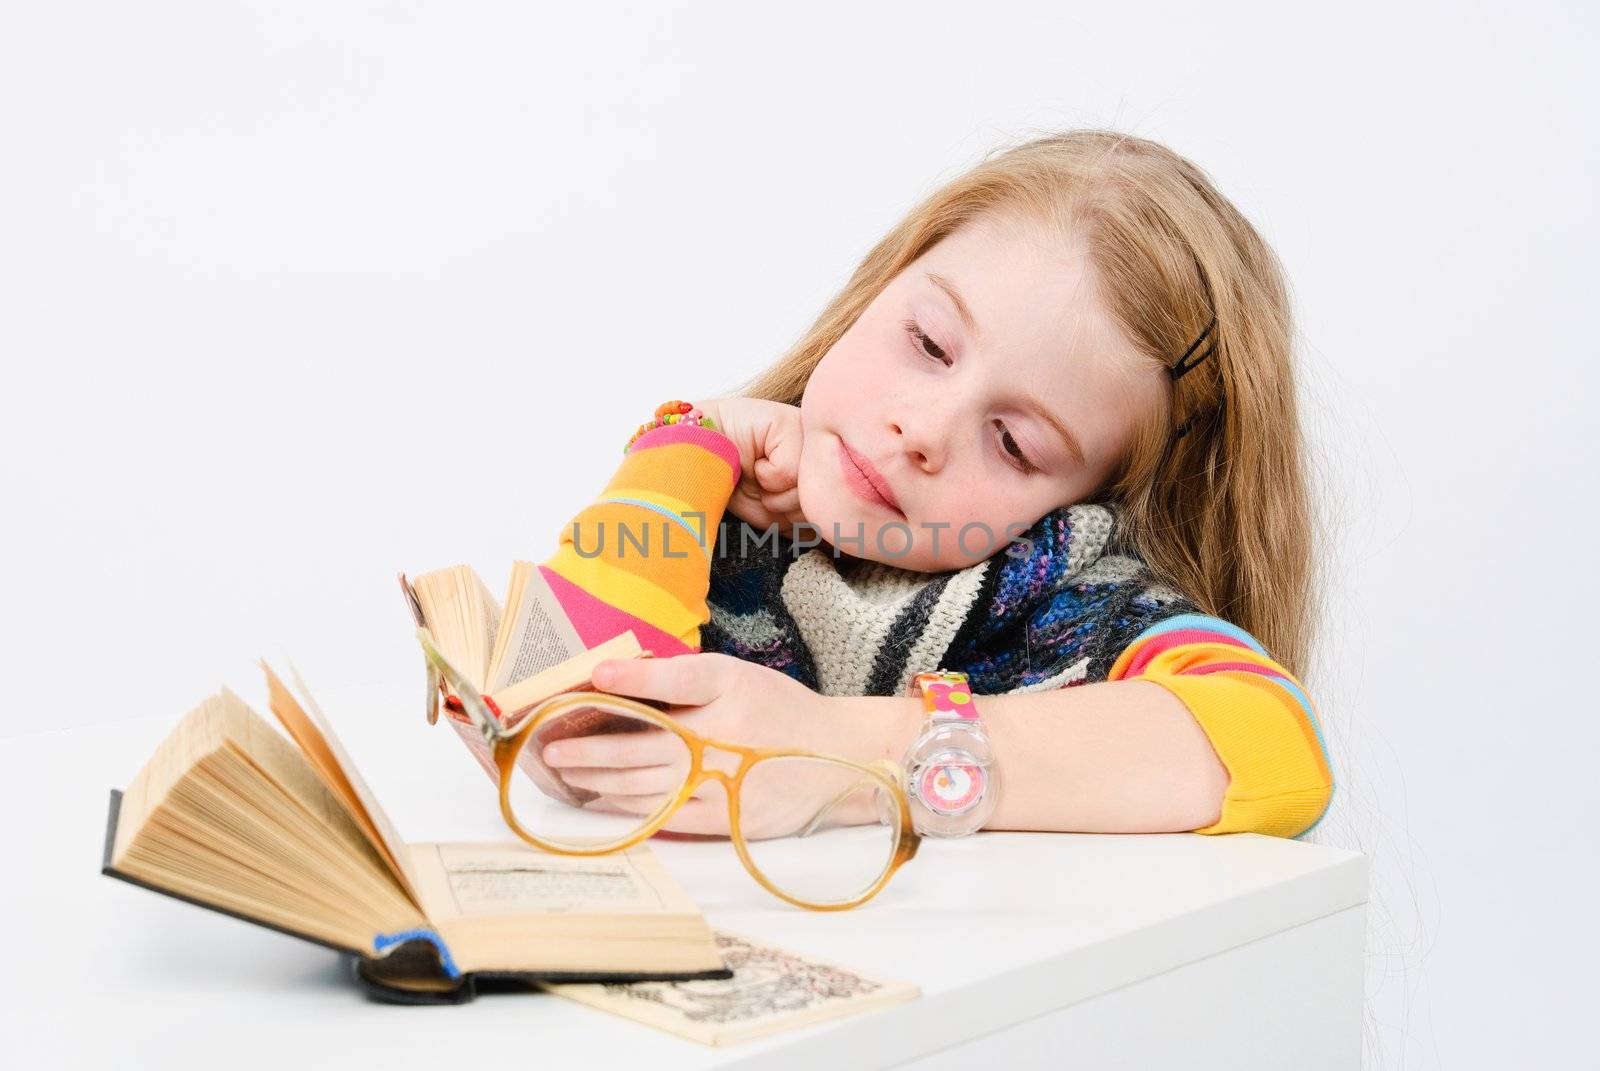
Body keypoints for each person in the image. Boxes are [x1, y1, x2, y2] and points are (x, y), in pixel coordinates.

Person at [526, 129, 1333, 841]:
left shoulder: (1061, 601)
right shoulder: (716, 520)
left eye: (1014, 443)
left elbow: (1276, 739)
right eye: (928, 342)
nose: (923, 430)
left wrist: (840, 752)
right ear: (877, 285)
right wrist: (687, 449)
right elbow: (556, 698)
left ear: (1091, 499)